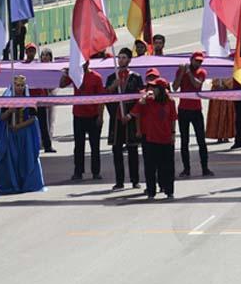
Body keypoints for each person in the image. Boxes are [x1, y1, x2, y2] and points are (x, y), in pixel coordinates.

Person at [0, 75, 46, 194]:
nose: (19, 88)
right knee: (11, 160)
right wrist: (9, 111)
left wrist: (19, 126)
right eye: (17, 85)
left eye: (22, 85)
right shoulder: (7, 100)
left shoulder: (29, 100)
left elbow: (34, 118)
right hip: (11, 135)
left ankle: (27, 184)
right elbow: (1, 117)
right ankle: (11, 184)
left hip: (25, 134)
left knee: (26, 158)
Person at [131, 77, 178, 199]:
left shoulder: (170, 102)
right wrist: (142, 100)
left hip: (166, 139)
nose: (152, 89)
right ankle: (151, 192)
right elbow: (135, 112)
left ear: (161, 89)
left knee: (167, 167)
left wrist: (173, 134)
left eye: (154, 87)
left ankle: (169, 191)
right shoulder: (148, 101)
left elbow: (173, 118)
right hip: (151, 139)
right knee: (150, 167)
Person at [106, 48, 143, 190]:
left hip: (130, 118)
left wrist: (131, 114)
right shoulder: (111, 77)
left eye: (123, 57)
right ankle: (119, 181)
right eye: (119, 57)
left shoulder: (136, 77)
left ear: (129, 60)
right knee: (116, 150)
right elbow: (105, 98)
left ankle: (135, 180)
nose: (121, 60)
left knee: (133, 150)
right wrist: (112, 87)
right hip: (116, 119)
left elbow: (140, 99)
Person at [60, 61, 104, 180]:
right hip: (78, 115)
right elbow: (62, 85)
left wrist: (101, 116)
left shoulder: (96, 77)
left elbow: (101, 99)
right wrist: (66, 74)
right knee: (79, 146)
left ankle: (96, 172)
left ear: (88, 63)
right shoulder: (75, 75)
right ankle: (78, 172)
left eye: (84, 63)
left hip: (93, 115)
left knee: (95, 146)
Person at [174, 51, 212, 177]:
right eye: (196, 61)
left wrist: (189, 73)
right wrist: (181, 73)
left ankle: (205, 168)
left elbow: (197, 85)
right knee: (184, 141)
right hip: (183, 109)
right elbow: (175, 87)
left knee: (201, 140)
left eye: (200, 61)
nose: (198, 63)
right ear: (191, 60)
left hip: (196, 110)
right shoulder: (181, 70)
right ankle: (186, 169)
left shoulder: (201, 72)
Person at [205, 77, 236, 143]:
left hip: (227, 95)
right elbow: (213, 81)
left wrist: (225, 82)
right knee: (216, 114)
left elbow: (231, 83)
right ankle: (218, 135)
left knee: (227, 115)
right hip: (217, 96)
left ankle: (226, 135)